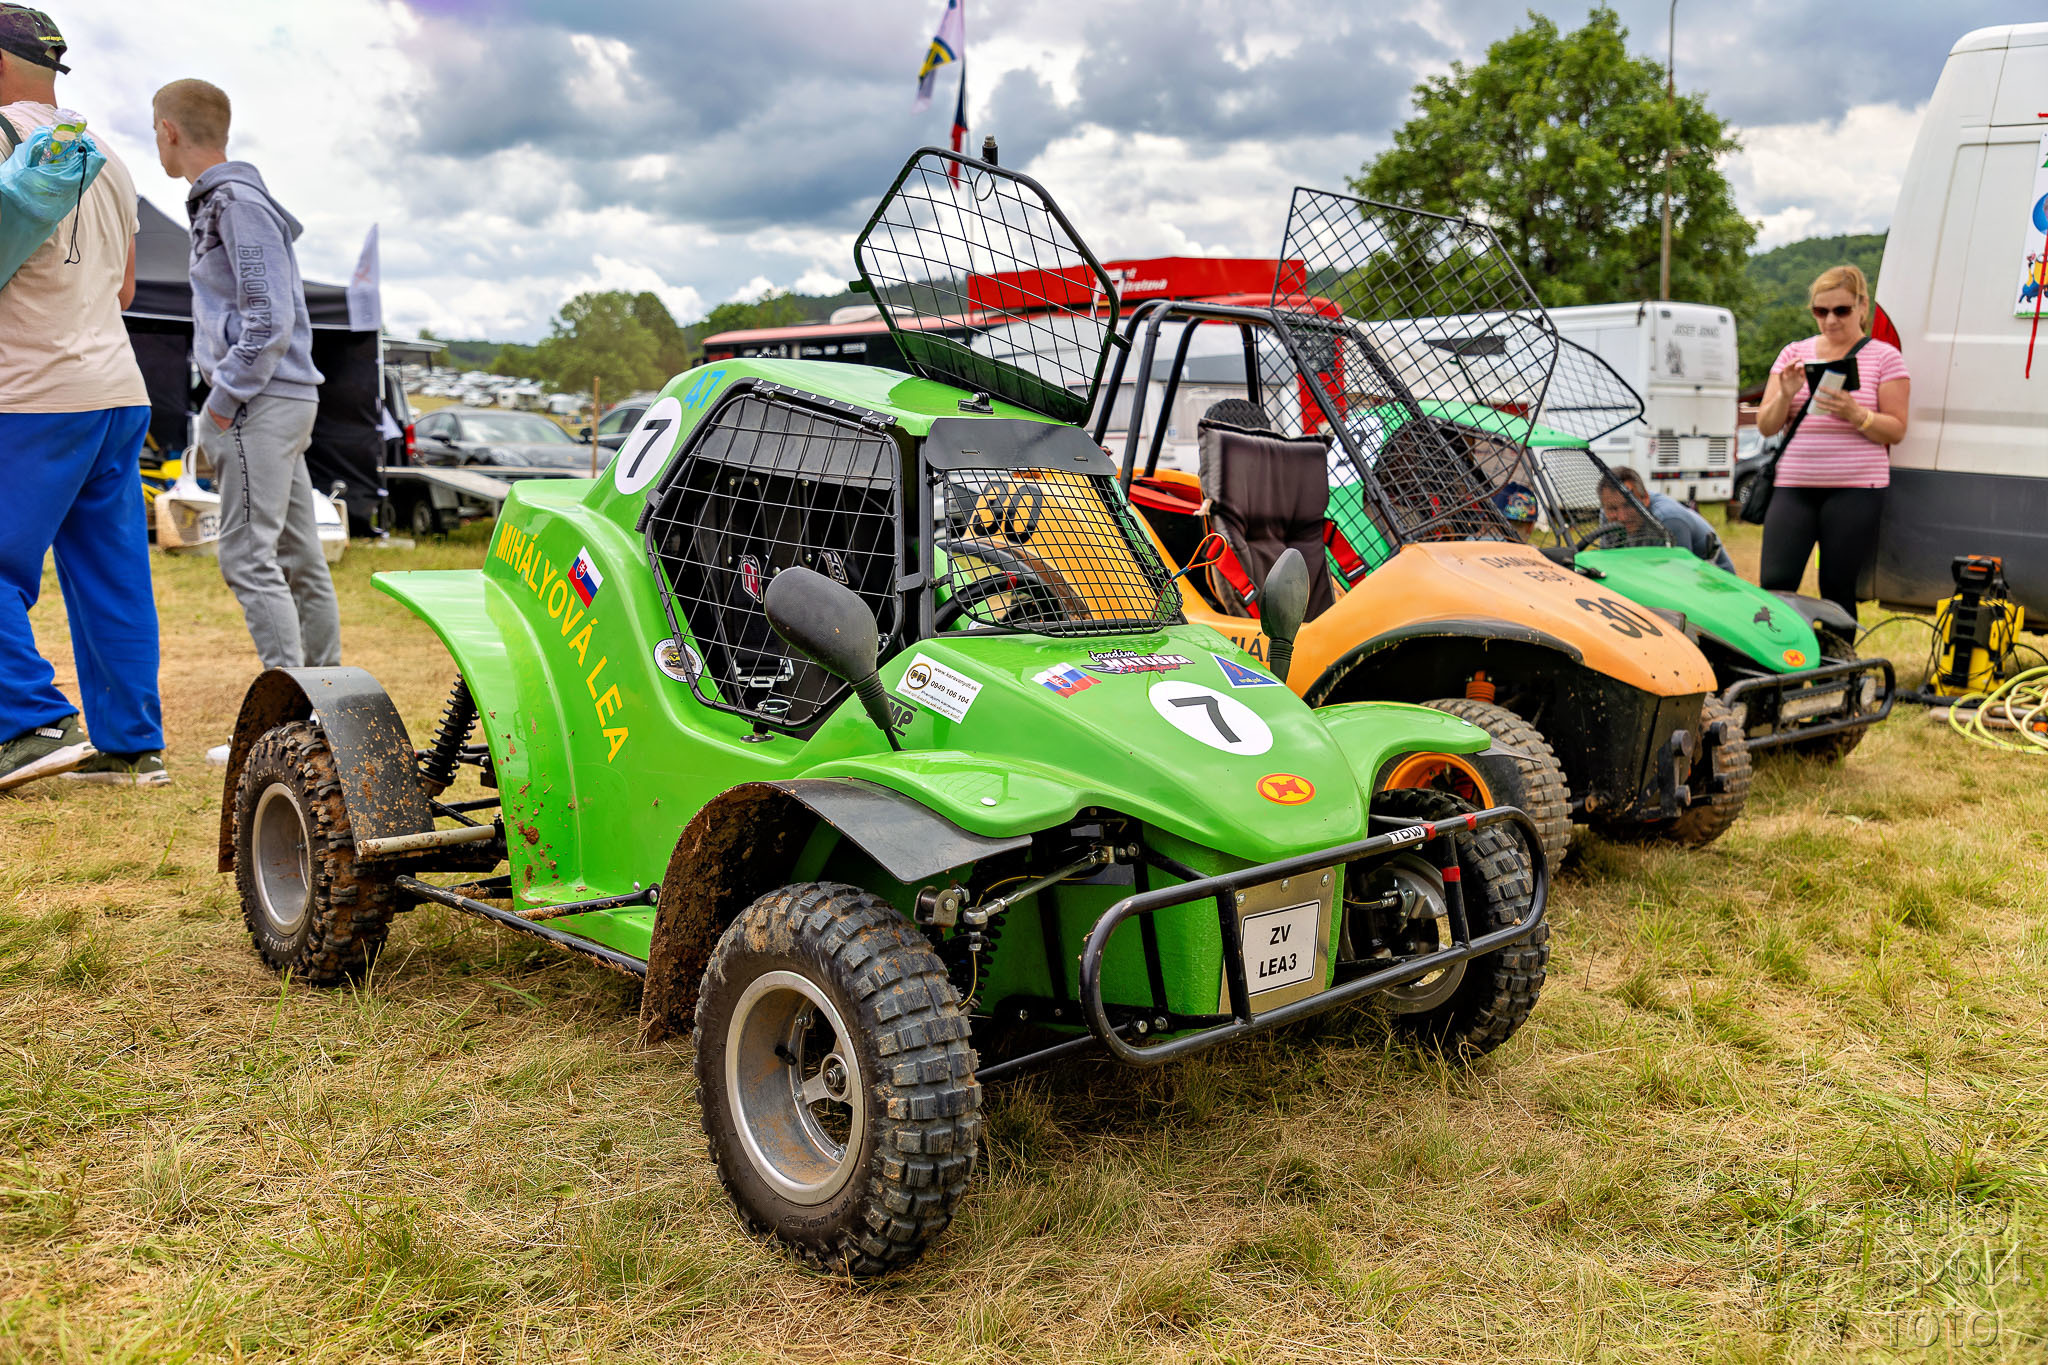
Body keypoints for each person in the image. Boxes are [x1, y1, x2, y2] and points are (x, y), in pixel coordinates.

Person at [0, 5, 168, 791]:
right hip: (115, 388)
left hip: (31, 391)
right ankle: (131, 746)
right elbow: (125, 289)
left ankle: (28, 721)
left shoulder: (5, 139)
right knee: (112, 572)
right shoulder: (108, 155)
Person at [153, 77, 339, 762]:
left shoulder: (234, 203)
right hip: (280, 398)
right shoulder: (232, 202)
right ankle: (325, 717)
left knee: (246, 556)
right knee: (298, 558)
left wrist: (222, 399)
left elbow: (268, 318)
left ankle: (283, 728)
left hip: (260, 401)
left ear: (169, 131)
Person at [1753, 265, 1909, 620]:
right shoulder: (1793, 354)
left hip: (1856, 489)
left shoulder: (1884, 357)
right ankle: (1780, 655)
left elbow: (1897, 430)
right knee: (1775, 586)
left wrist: (1856, 414)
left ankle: (1838, 657)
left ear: (1862, 306)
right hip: (1794, 484)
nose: (1831, 320)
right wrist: (1785, 394)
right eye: (1820, 311)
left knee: (1837, 588)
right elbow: (1765, 426)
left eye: (1841, 310)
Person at [1599, 465, 1735, 572]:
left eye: (1629, 505)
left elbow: (1679, 575)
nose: (1622, 517)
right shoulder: (1607, 516)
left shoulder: (1668, 520)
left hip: (1714, 585)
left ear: (1645, 498)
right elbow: (1610, 563)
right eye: (1612, 508)